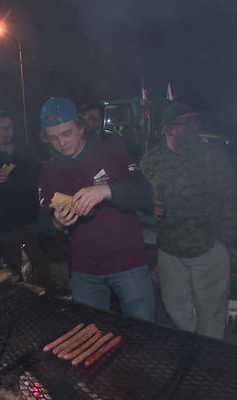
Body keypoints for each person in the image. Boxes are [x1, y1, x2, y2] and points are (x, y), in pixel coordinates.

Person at [37, 97, 154, 320]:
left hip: (127, 263)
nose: (61, 143)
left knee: (142, 334)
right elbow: (42, 221)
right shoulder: (49, 170)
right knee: (91, 338)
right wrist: (56, 222)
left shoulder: (111, 150)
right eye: (53, 138)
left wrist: (107, 191)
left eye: (66, 133)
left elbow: (144, 193)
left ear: (80, 127)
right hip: (84, 269)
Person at [140, 102, 237, 339]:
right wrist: (148, 207)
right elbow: (142, 199)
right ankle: (191, 348)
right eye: (187, 124)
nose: (194, 127)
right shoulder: (150, 161)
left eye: (195, 123)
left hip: (208, 247)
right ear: (170, 129)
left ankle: (209, 356)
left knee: (212, 312)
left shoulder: (211, 156)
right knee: (176, 308)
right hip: (170, 250)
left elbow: (231, 198)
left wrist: (226, 242)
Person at [0, 111, 50, 285]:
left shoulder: (26, 153)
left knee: (43, 263)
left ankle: (49, 296)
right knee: (12, 271)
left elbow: (40, 178)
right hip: (3, 224)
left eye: (8, 127)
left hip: (29, 219)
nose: (4, 132)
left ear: (13, 130)